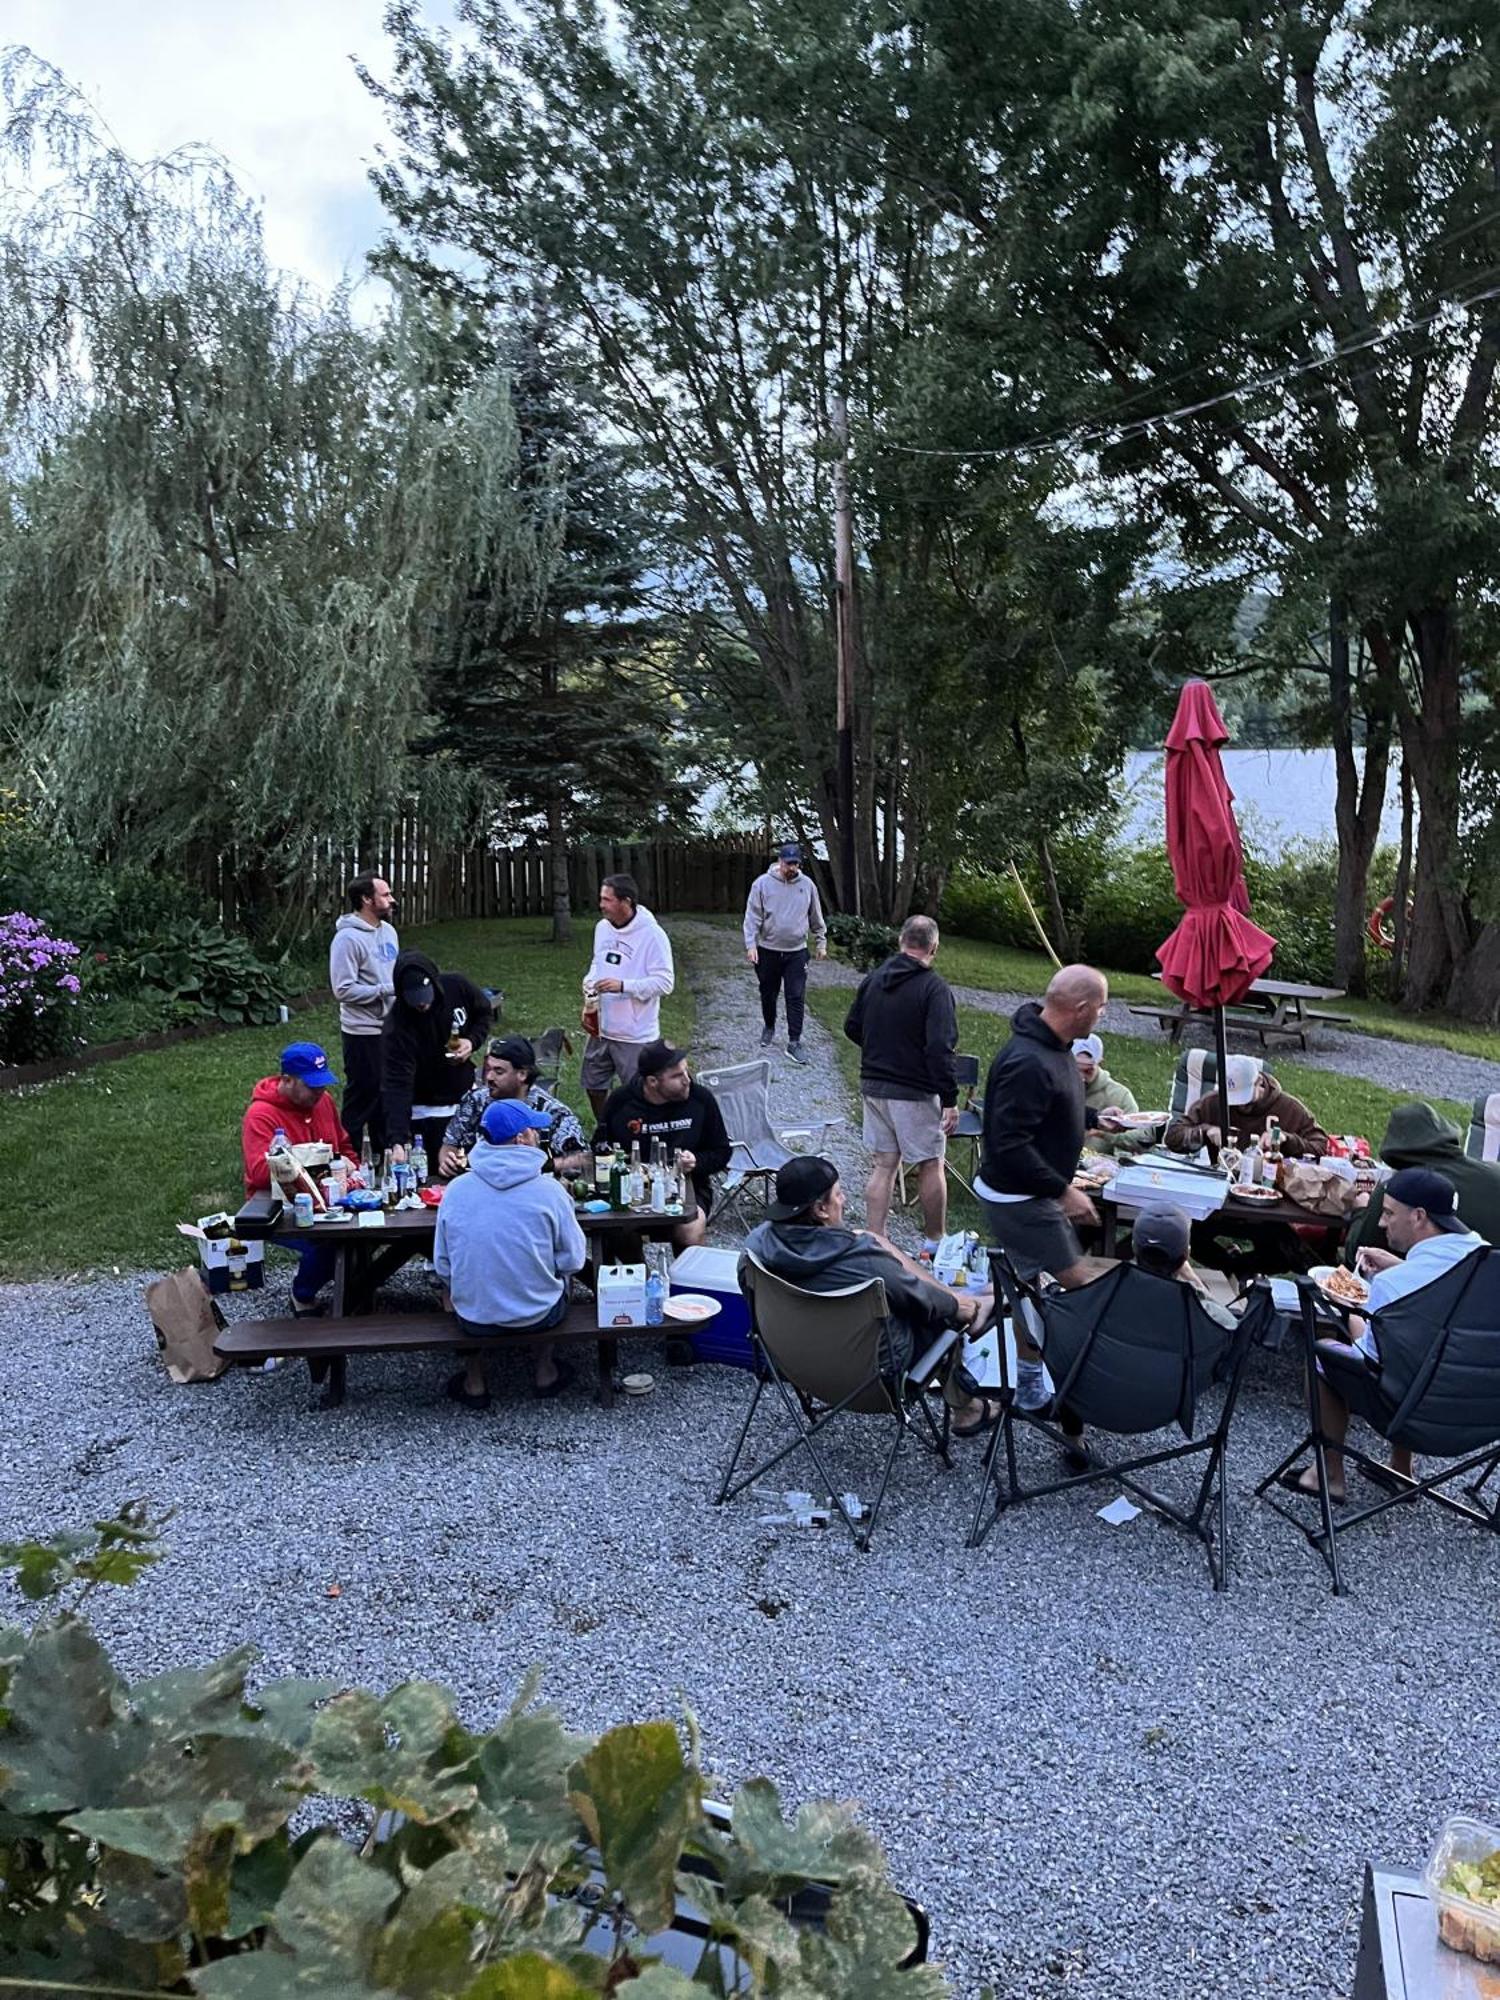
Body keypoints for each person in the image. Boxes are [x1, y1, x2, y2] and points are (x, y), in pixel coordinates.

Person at [746, 1155, 1004, 1438]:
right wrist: (958, 1309)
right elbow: (921, 1301)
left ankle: (964, 1301)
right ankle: (967, 1409)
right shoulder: (862, 1262)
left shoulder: (756, 1248)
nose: (844, 1200)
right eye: (839, 1194)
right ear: (820, 1209)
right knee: (936, 1315)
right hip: (873, 1382)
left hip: (794, 1365)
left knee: (880, 1251)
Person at [1282, 1168, 1488, 1501]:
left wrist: (1351, 1308)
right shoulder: (1486, 1262)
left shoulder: (1395, 1287)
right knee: (1423, 1348)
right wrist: (1401, 1266)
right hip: (1480, 1416)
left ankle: (1328, 1476)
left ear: (1419, 1216)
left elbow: (1370, 1359)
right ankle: (1400, 1471)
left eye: (1389, 1213)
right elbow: (1442, 1284)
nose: (1380, 1223)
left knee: (1325, 1352)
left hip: (1416, 1414)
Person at [976, 965, 1110, 1413]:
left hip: (1029, 1192)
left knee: (1025, 1287)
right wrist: (1063, 1191)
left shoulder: (1053, 1046)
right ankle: (1098, 1372)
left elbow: (1051, 1104)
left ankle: (1030, 1383)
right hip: (1021, 1199)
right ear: (1081, 1009)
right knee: (1079, 1282)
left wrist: (1092, 1120)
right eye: (1102, 1006)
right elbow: (1008, 1143)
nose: (1104, 1013)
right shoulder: (1028, 1060)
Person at [433, 1098, 588, 1409]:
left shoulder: (457, 1190)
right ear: (521, 1139)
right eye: (534, 1131)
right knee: (558, 1282)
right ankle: (545, 1370)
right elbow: (573, 1260)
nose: (538, 1137)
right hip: (538, 1314)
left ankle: (475, 1381)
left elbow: (442, 1264)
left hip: (474, 1318)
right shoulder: (550, 1191)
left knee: (451, 1292)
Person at [842, 915, 960, 1251]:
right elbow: (939, 1048)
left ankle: (876, 1239)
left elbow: (852, 1026)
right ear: (933, 947)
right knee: (931, 1162)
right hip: (914, 1092)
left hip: (873, 1085)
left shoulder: (874, 980)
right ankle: (935, 1240)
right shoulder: (934, 988)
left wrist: (882, 1048)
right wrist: (949, 1099)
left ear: (901, 941)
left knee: (884, 1164)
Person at [240, 1042, 356, 1317]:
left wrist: (354, 1166)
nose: (320, 1092)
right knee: (329, 1243)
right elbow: (259, 1172)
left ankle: (356, 1288)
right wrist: (322, 1165)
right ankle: (302, 1294)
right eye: (311, 1085)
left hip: (328, 1196)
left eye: (322, 1084)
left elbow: (343, 1145)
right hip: (280, 1203)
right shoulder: (260, 1115)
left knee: (363, 1235)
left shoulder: (323, 1101)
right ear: (287, 1080)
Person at [593, 1039, 732, 1249]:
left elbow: (722, 1152)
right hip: (632, 1190)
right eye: (677, 1076)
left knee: (691, 1229)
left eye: (686, 1071)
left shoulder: (700, 1099)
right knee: (615, 1227)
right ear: (652, 1081)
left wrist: (697, 1161)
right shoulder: (621, 1103)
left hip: (688, 1187)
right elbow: (599, 1150)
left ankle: (685, 1280)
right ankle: (642, 1277)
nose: (687, 1080)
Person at [1344, 1100, 1500, 1267]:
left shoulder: (1398, 1192)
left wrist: (1360, 1210)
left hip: (1439, 1289)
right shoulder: (1495, 1173)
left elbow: (1358, 1257)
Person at [382, 949, 494, 1167]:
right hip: (424, 1114)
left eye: (425, 997)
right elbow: (396, 1085)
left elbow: (484, 1013)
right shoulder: (397, 1029)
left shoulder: (457, 987)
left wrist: (471, 1042)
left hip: (464, 1102)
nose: (422, 1005)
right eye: (415, 1000)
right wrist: (397, 1140)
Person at [581, 875, 676, 1118]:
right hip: (601, 1028)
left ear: (627, 901)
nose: (601, 904)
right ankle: (607, 1128)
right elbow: (598, 962)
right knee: (593, 1084)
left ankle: (638, 1135)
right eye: (601, 898)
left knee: (639, 1092)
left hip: (635, 1034)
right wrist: (590, 982)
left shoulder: (652, 935)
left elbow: (665, 982)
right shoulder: (602, 928)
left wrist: (623, 986)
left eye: (607, 900)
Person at [439, 1036, 590, 1179]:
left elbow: (583, 1159)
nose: (489, 1078)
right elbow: (450, 1143)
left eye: (499, 1071)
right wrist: (447, 1161)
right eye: (488, 1069)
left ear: (522, 1074)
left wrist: (541, 1165)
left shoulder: (551, 1111)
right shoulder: (475, 1101)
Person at [328, 874, 399, 1156]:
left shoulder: (389, 932)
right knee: (363, 1096)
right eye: (385, 894)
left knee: (387, 1095)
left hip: (391, 1027)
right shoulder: (346, 939)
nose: (392, 899)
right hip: (362, 1032)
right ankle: (349, 1158)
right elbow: (343, 990)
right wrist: (385, 990)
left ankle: (384, 1157)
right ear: (367, 900)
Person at [742, 842, 828, 1064]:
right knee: (768, 993)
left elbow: (816, 916)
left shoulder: (807, 885)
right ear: (780, 862)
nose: (792, 868)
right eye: (788, 864)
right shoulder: (762, 884)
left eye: (796, 864)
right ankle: (769, 1026)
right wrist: (751, 945)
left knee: (796, 995)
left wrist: (821, 942)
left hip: (796, 952)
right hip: (768, 951)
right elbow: (752, 917)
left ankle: (794, 1042)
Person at [1165, 1054, 1329, 1159]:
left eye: (1245, 1098)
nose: (1240, 1106)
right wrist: (1204, 1132)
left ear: (1259, 1083)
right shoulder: (1212, 1102)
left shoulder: (1289, 1108)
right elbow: (1172, 1137)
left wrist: (1287, 1140)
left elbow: (1321, 1146)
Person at [1129, 1205, 1238, 1330]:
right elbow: (1229, 1326)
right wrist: (1196, 1281)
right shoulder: (1204, 1315)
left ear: (1133, 1247)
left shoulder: (1108, 1296)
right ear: (1187, 1254)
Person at [1072, 1034, 1151, 1154]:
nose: (1081, 1077)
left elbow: (1141, 1138)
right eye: (1076, 1069)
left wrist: (1103, 1133)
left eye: (1088, 1071)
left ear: (1100, 1063)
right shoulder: (1058, 1087)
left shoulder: (1119, 1095)